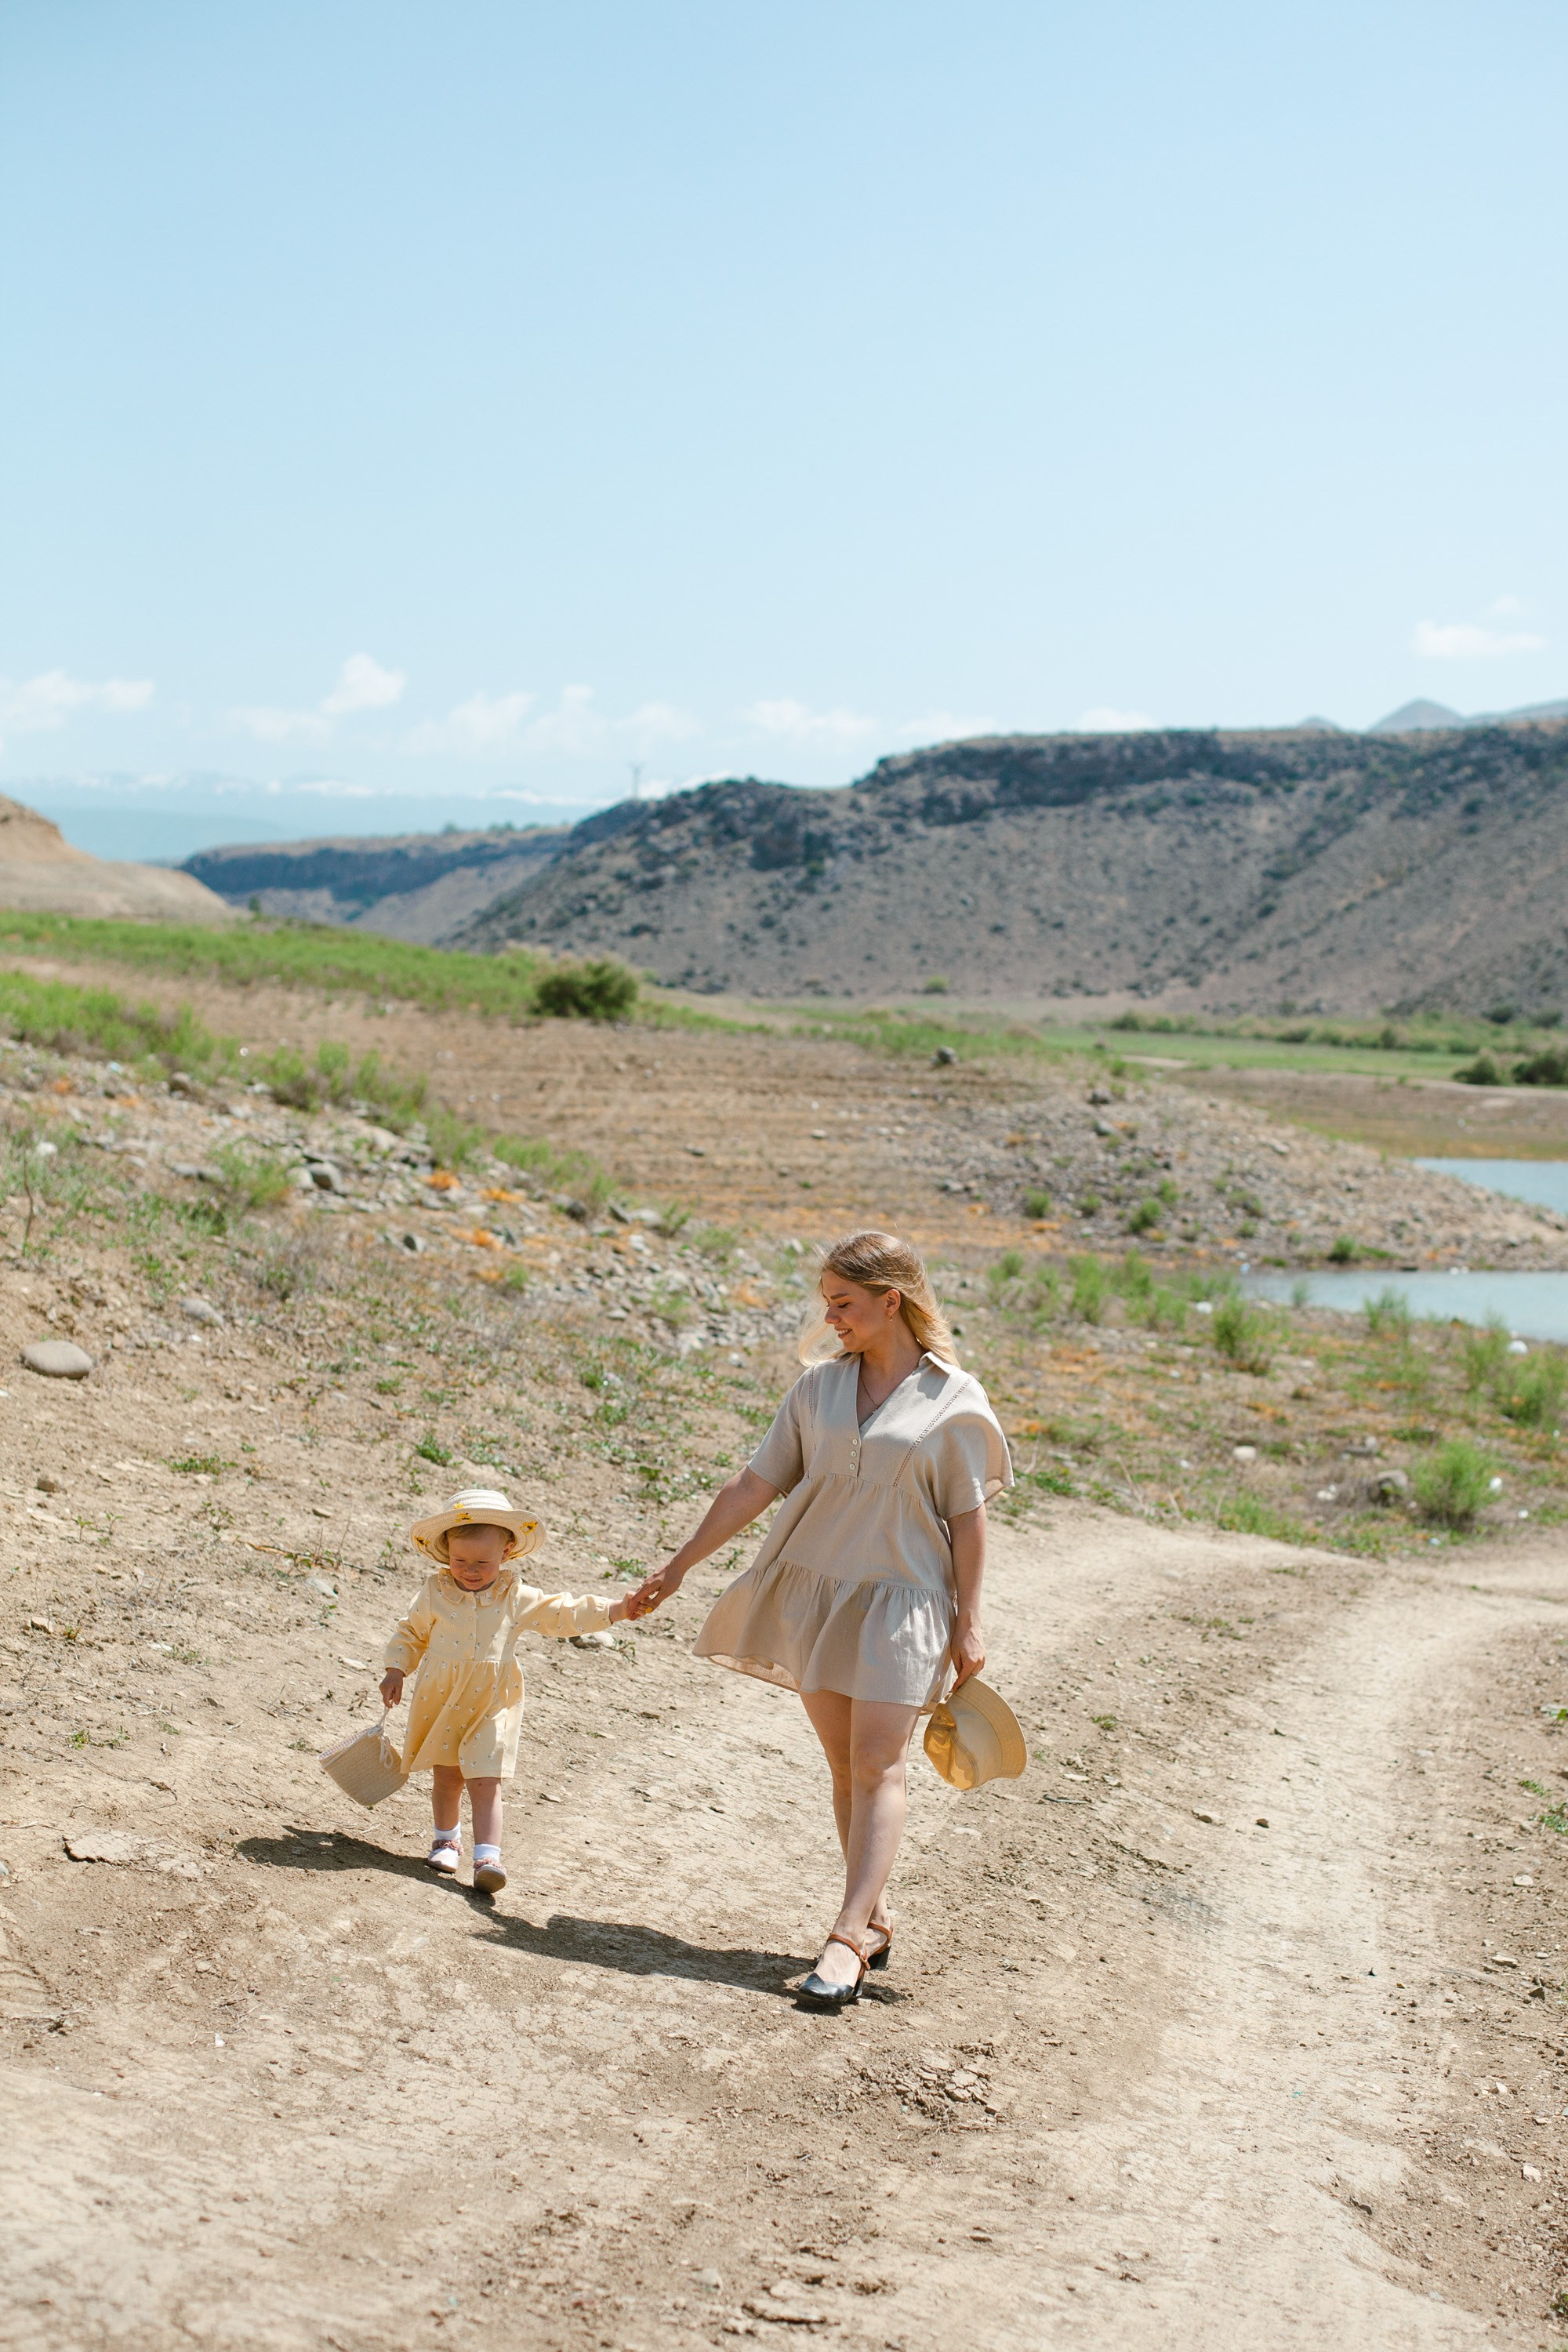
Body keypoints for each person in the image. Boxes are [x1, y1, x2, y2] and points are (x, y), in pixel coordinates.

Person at [625, 1230, 1011, 2009]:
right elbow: (751, 1486)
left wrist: (970, 1624)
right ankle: (871, 1918)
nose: (830, 1318)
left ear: (888, 1301)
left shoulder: (953, 1399)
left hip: (904, 1598)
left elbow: (968, 1523)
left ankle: (842, 1942)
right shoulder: (816, 1392)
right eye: (826, 1304)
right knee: (845, 1768)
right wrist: (678, 1566)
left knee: (878, 1763)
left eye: (843, 1303)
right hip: (819, 1592)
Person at [379, 1486, 635, 1894]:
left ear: (508, 1551)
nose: (471, 1570)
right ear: (447, 1554)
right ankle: (446, 1839)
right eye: (460, 1560)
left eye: (483, 1561)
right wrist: (396, 1668)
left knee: (486, 1778)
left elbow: (561, 1612)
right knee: (448, 1775)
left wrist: (616, 1610)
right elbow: (411, 1633)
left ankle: (487, 1856)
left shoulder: (513, 1595)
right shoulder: (435, 1592)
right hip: (443, 1698)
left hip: (492, 1702)